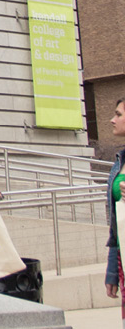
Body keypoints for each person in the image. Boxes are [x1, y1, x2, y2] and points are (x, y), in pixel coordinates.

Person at [104, 98, 125, 320]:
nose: (112, 120)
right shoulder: (120, 161)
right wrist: (112, 270)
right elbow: (116, 225)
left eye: (118, 114)